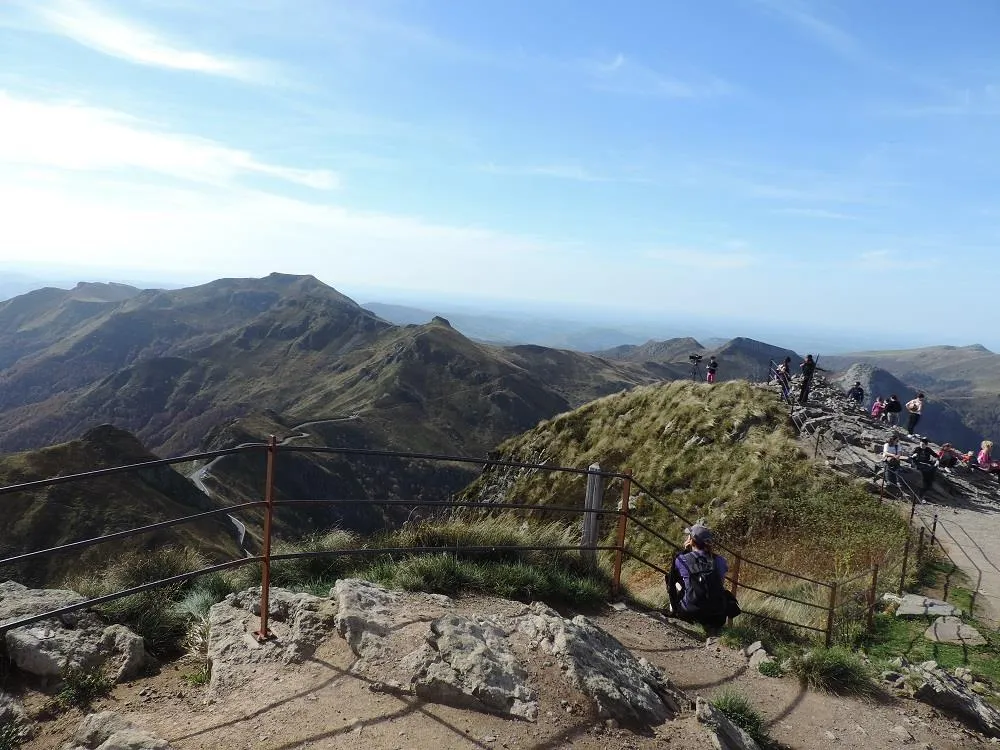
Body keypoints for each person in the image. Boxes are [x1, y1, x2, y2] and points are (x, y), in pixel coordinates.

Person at [666, 523, 738, 635]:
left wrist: (685, 551)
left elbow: (673, 579)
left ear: (691, 540)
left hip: (690, 613)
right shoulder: (720, 561)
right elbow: (720, 582)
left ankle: (674, 610)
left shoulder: (682, 559)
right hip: (716, 616)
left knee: (675, 580)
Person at [909, 437, 938, 501]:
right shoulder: (917, 449)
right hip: (917, 463)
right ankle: (922, 490)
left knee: (931, 470)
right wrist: (913, 456)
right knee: (923, 473)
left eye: (923, 445)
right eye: (921, 444)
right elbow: (910, 456)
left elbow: (936, 455)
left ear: (926, 445)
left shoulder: (928, 449)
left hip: (925, 463)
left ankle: (928, 486)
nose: (922, 446)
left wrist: (937, 460)